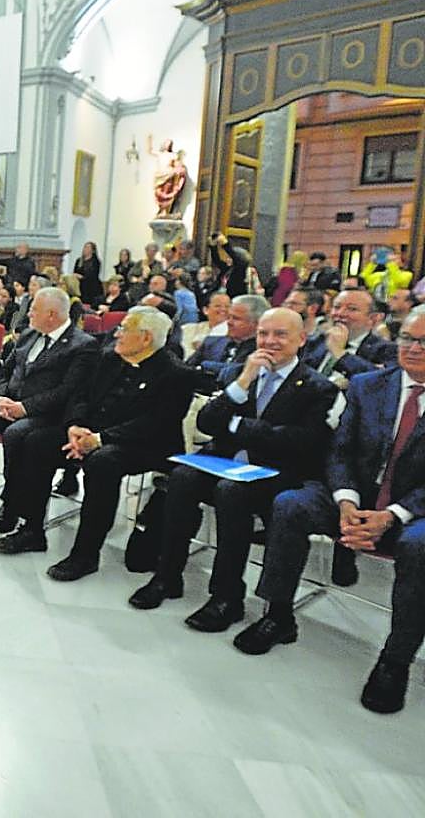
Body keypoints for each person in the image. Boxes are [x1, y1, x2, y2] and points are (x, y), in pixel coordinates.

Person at [232, 307, 425, 715]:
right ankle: (278, 614)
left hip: (413, 510)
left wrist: (390, 515)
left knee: (418, 548)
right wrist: (347, 501)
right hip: (354, 497)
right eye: (407, 338)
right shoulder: (368, 385)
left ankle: (395, 660)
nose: (413, 349)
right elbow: (340, 452)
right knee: (291, 505)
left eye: (424, 342)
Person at [128, 308, 339, 630]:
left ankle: (226, 596)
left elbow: (303, 440)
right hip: (226, 461)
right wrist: (243, 382)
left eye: (280, 335)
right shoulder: (239, 373)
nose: (270, 341)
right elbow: (207, 421)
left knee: (232, 492)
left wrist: (238, 425)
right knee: (182, 476)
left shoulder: (318, 387)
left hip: (276, 472)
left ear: (301, 339)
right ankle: (167, 575)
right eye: (264, 333)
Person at [2, 307, 195, 576]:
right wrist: (75, 426)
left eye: (125, 329)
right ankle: (32, 530)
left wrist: (99, 439)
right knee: (38, 442)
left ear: (146, 338)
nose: (117, 333)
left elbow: (154, 424)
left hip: (144, 445)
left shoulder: (176, 374)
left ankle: (85, 554)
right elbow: (81, 395)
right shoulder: (109, 358)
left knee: (103, 462)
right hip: (93, 432)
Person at [0, 287, 98, 535]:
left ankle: (11, 504)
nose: (28, 313)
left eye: (34, 309)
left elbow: (67, 391)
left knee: (16, 435)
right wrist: (0, 398)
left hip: (44, 413)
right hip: (9, 403)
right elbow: (4, 371)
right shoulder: (30, 334)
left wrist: (24, 408)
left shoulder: (82, 346)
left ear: (52, 314)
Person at [186, 294, 266, 391]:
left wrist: (206, 365)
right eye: (229, 317)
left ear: (257, 323)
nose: (229, 322)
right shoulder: (211, 342)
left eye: (236, 318)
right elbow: (186, 370)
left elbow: (238, 374)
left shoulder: (263, 352)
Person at [209, 233, 250, 298]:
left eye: (230, 258)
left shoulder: (241, 269)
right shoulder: (227, 268)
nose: (227, 259)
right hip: (220, 295)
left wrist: (225, 244)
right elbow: (216, 260)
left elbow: (236, 258)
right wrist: (213, 246)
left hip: (234, 298)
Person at [73, 241, 103, 307]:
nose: (85, 249)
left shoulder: (96, 261)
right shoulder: (79, 261)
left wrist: (82, 277)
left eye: (88, 247)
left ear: (92, 250)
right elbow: (75, 271)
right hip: (80, 286)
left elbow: (94, 275)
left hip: (92, 287)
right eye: (85, 247)